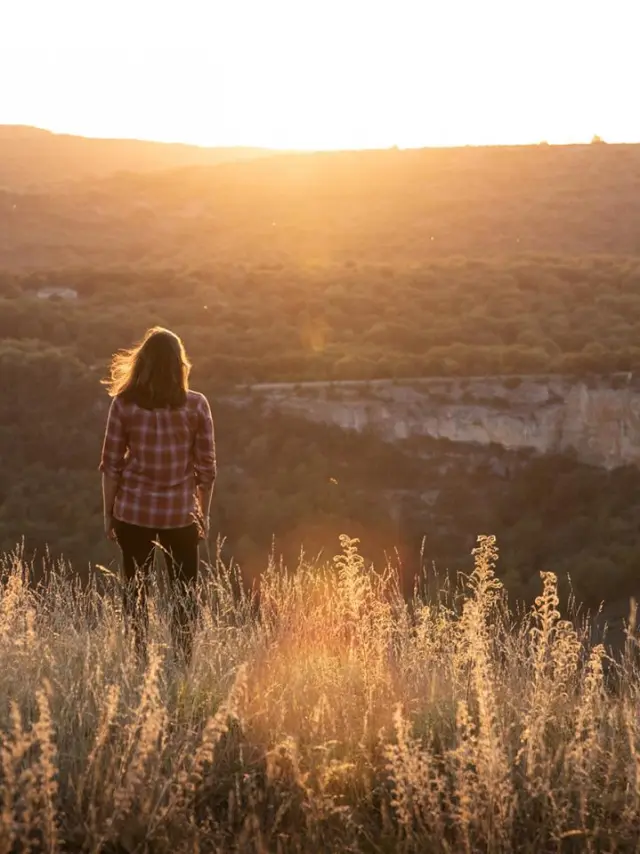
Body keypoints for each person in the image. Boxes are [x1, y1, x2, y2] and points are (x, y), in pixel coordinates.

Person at [99, 327, 216, 660]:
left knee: (135, 592)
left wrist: (109, 514)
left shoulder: (124, 405)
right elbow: (207, 470)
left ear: (143, 363)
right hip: (181, 515)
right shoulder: (196, 405)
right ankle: (181, 663)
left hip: (133, 514)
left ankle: (139, 662)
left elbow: (110, 466)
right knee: (184, 595)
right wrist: (202, 515)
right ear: (180, 364)